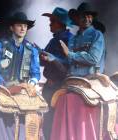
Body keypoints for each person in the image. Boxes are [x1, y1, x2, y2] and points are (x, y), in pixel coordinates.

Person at [0, 12, 42, 140]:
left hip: (24, 89)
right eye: (19, 25)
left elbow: (36, 73)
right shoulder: (1, 46)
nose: (22, 29)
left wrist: (30, 84)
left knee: (38, 109)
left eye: (25, 26)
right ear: (11, 27)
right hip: (4, 88)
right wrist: (4, 86)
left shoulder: (32, 49)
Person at [50, 3, 107, 140]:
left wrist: (70, 54)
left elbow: (93, 58)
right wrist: (53, 59)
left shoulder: (97, 35)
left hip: (90, 82)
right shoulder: (74, 39)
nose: (87, 18)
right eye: (84, 16)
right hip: (72, 83)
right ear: (78, 18)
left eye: (89, 16)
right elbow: (69, 62)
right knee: (60, 100)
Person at [39, 7, 73, 140]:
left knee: (57, 122)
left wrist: (53, 59)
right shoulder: (53, 41)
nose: (49, 24)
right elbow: (42, 62)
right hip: (49, 86)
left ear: (59, 23)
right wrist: (42, 57)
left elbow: (69, 64)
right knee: (46, 121)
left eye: (52, 21)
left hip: (61, 87)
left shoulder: (70, 40)